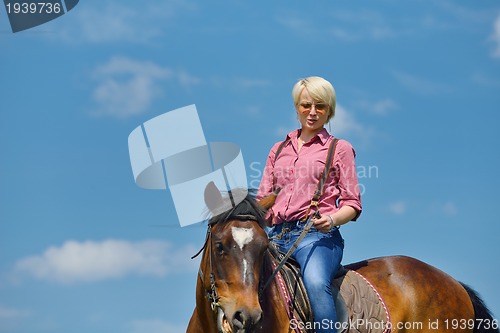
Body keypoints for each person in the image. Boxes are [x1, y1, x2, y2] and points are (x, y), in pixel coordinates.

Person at [257, 76, 362, 333]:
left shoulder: (339, 148)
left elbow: (352, 203)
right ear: (296, 107)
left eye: (320, 106)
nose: (312, 112)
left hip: (317, 237)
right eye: (306, 105)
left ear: (329, 110)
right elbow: (263, 201)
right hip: (277, 237)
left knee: (315, 283)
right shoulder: (278, 149)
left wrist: (333, 219)